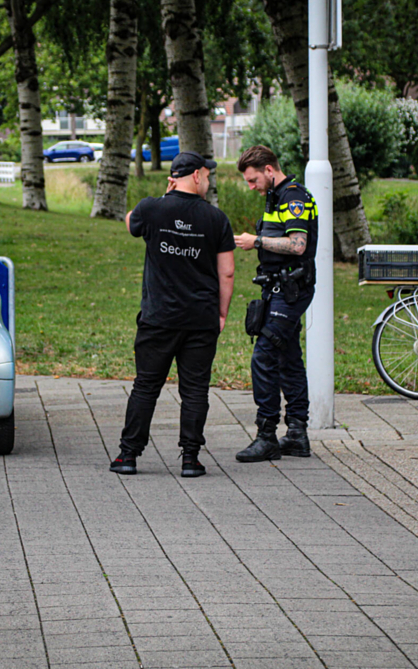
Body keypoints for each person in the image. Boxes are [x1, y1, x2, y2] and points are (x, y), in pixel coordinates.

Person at [109, 151, 235, 479]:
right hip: (201, 318)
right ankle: (190, 459)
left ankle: (128, 455)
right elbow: (227, 274)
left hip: (158, 318)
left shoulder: (152, 209)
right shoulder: (216, 219)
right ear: (195, 175)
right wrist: (221, 314)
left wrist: (164, 198)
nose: (208, 181)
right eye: (207, 176)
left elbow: (130, 222)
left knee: (146, 385)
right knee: (195, 389)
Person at [232, 145, 318, 462]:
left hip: (292, 290)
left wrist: (255, 241)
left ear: (269, 170)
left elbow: (297, 245)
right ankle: (297, 434)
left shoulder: (294, 197)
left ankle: (266, 435)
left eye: (254, 180)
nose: (252, 187)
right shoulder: (276, 196)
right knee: (287, 359)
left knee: (264, 355)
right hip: (279, 288)